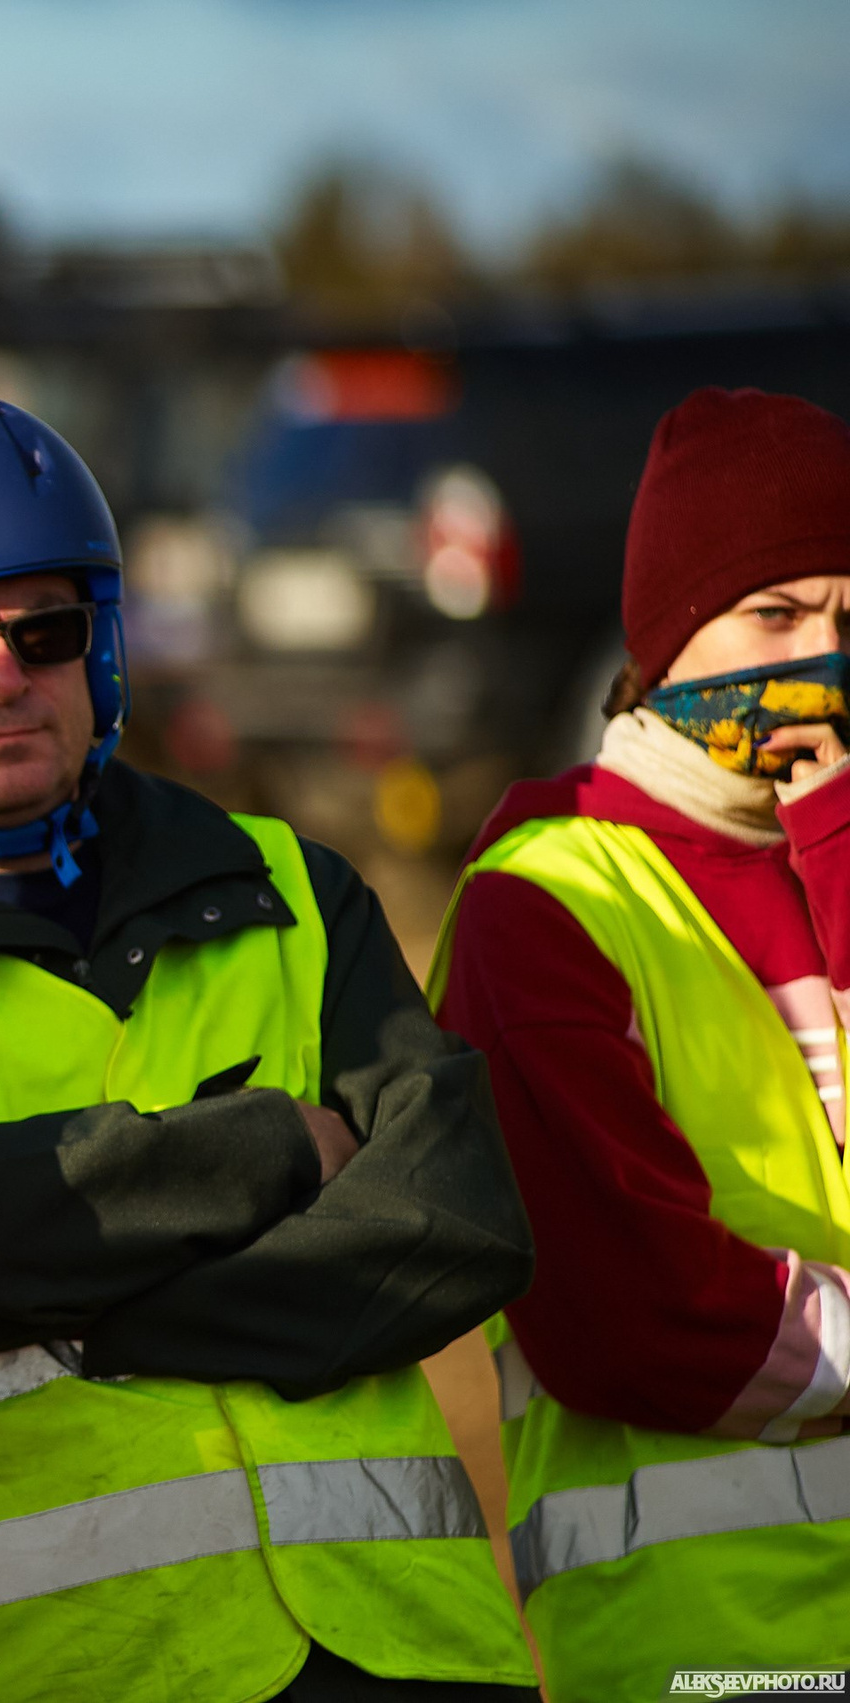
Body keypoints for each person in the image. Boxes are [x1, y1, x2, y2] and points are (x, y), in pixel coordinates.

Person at [0, 392, 538, 1703]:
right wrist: (282, 1139)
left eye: (45, 632)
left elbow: (458, 1219)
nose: (1, 676)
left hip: (407, 1650)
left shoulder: (290, 882)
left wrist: (80, 1313)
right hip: (44, 1665)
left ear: (101, 648)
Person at [429, 387, 850, 1698]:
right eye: (776, 616)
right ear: (671, 637)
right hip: (714, 1649)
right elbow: (633, 1316)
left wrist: (834, 845)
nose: (824, 657)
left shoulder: (836, 851)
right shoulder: (543, 902)